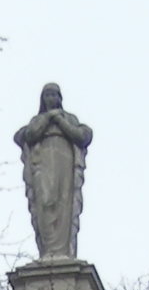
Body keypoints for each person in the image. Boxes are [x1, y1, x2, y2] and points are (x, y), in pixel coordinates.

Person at [13, 81, 95, 260]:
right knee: (44, 202)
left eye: (54, 95)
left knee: (64, 202)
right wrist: (48, 118)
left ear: (60, 98)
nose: (51, 98)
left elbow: (81, 136)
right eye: (47, 95)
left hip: (64, 163)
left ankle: (63, 251)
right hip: (41, 164)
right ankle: (47, 250)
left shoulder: (69, 119)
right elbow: (29, 135)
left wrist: (59, 119)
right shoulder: (37, 121)